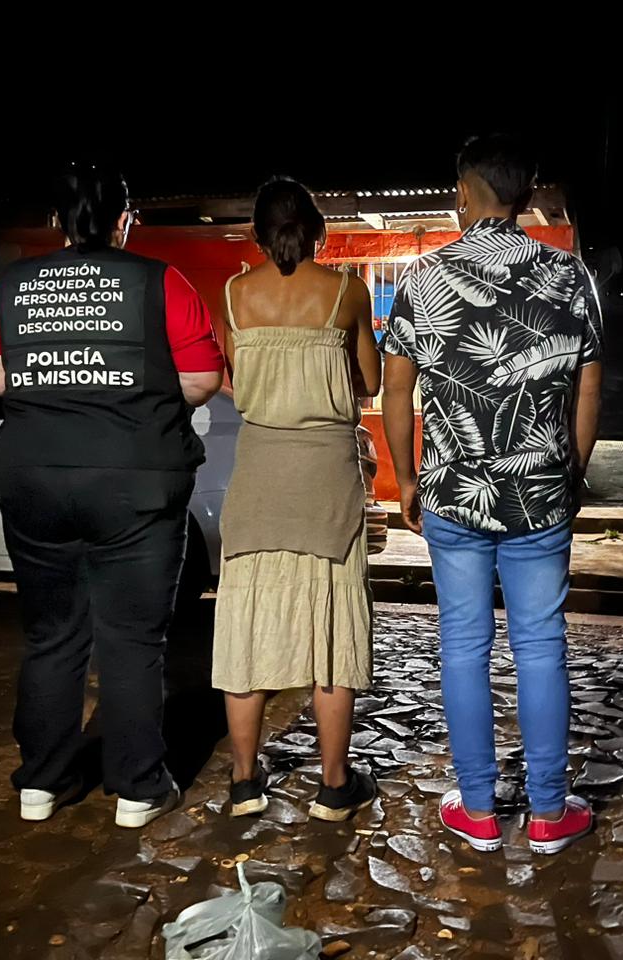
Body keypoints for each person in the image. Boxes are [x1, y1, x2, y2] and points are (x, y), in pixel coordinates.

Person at [0, 159, 224, 827]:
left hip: (34, 475)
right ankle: (138, 788)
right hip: (135, 480)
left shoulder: (7, 286)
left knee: (51, 632)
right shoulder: (158, 283)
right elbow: (200, 379)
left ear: (57, 221)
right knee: (132, 637)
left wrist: (58, 387)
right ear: (125, 217)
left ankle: (42, 782)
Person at [381, 135, 604, 855]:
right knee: (542, 644)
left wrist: (409, 476)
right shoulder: (570, 277)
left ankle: (477, 809)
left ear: (463, 192)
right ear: (528, 194)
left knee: (462, 645)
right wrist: (570, 471)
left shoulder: (423, 277)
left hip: (453, 491)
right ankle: (546, 813)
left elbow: (396, 388)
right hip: (540, 492)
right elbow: (587, 385)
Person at [212, 177, 381, 822]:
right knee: (332, 627)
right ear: (316, 229)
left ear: (257, 234)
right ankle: (334, 786)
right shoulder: (345, 292)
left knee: (247, 628)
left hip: (258, 473)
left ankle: (245, 782)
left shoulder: (233, 294)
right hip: (326, 479)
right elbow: (366, 378)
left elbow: (234, 375)